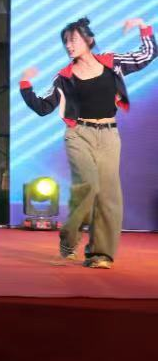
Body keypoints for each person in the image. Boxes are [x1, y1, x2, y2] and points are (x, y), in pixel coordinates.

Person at [20, 17, 155, 269]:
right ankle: (69, 240)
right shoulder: (64, 77)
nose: (69, 46)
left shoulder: (112, 63)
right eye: (65, 42)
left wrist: (142, 25)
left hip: (109, 135)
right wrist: (25, 84)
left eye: (73, 40)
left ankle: (99, 254)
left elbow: (146, 55)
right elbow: (42, 107)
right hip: (79, 134)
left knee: (109, 196)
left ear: (89, 40)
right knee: (88, 186)